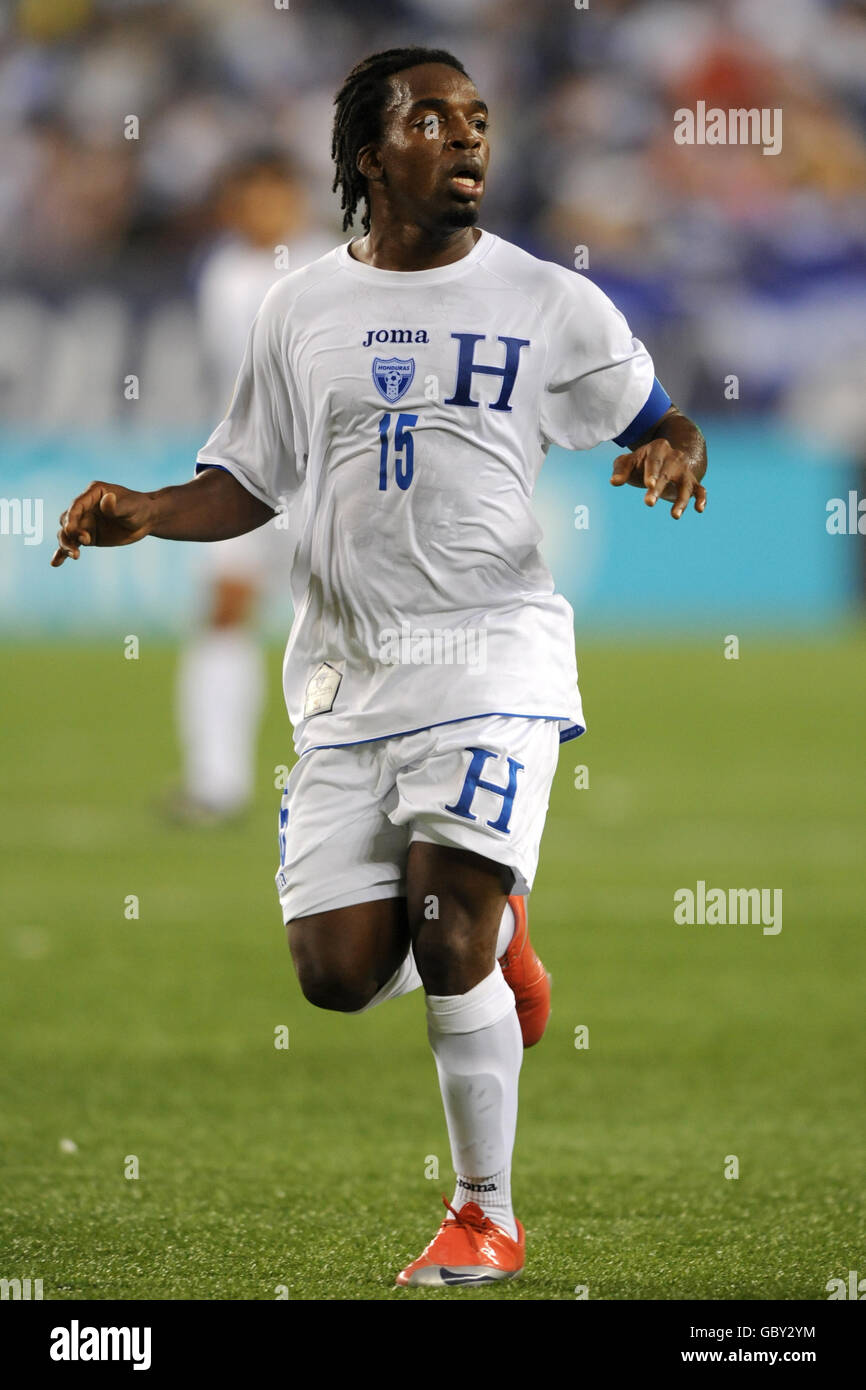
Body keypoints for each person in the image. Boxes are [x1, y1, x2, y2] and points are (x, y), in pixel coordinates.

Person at [52, 46, 707, 1288]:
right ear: (368, 154)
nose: (465, 139)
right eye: (431, 120)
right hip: (346, 674)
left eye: (476, 119)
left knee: (442, 921)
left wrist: (672, 449)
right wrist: (145, 508)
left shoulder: (549, 300)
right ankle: (499, 924)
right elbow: (247, 477)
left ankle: (483, 1211)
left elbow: (657, 416)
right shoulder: (296, 307)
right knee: (338, 974)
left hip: (494, 654)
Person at [174, 150, 331, 823]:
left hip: (327, 474)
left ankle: (361, 783)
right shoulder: (220, 270)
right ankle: (217, 783)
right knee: (225, 611)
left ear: (294, 198)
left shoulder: (336, 264)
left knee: (350, 627)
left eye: (270, 194)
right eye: (245, 196)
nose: (257, 209)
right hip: (247, 473)